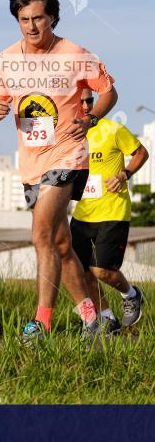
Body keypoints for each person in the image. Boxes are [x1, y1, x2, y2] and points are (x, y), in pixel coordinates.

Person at [0, 0, 118, 341]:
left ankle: (40, 323)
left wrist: (91, 119)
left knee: (40, 234)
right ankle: (94, 319)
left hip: (68, 154)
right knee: (60, 243)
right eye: (24, 19)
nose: (31, 26)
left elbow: (108, 92)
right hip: (31, 162)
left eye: (38, 19)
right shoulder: (7, 59)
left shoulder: (74, 53)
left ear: (53, 17)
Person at [71, 89, 148, 334]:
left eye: (89, 100)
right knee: (81, 272)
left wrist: (125, 174)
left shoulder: (112, 129)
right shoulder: (69, 136)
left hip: (113, 210)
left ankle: (131, 294)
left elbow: (141, 153)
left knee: (101, 270)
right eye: (80, 101)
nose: (85, 105)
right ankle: (107, 319)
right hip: (83, 213)